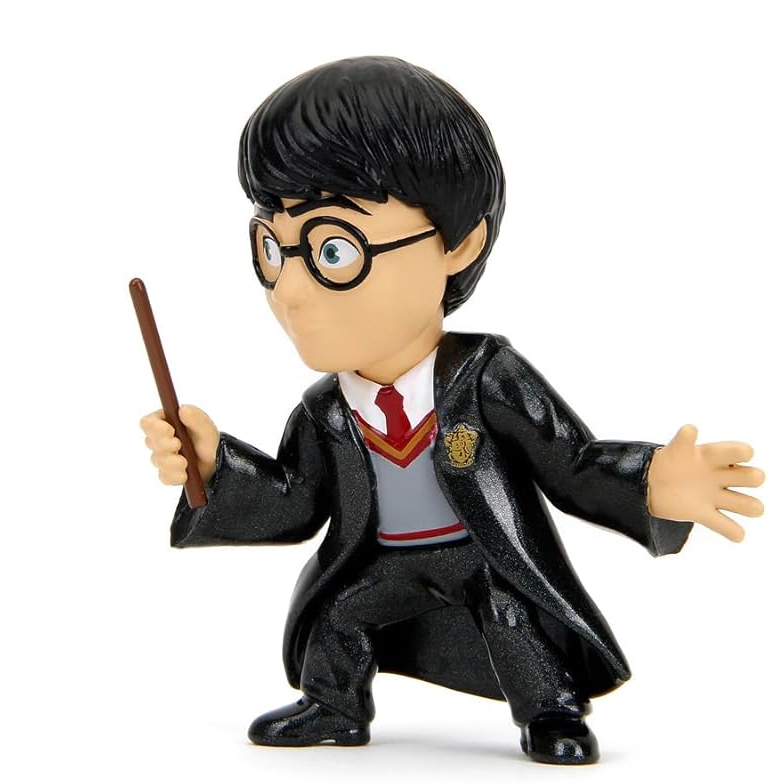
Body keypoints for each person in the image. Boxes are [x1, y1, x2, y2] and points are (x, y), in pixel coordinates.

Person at [139, 56, 762, 765]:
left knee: (512, 615)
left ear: (458, 244)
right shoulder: (327, 411)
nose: (291, 291)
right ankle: (335, 702)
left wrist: (650, 482)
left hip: (480, 555)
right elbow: (296, 500)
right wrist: (215, 467)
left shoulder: (486, 377)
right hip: (385, 561)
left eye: (333, 250)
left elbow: (570, 462)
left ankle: (550, 710)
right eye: (273, 250)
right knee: (339, 612)